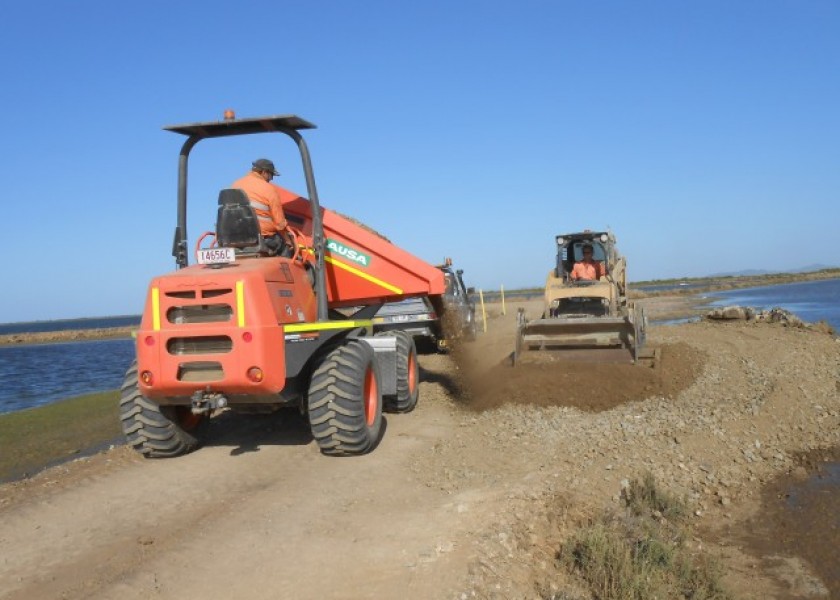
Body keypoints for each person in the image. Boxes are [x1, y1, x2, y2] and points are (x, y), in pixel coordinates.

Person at [231, 158, 292, 254]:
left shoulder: (235, 185)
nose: (271, 179)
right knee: (287, 249)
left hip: (234, 238)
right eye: (271, 175)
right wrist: (288, 240)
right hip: (262, 238)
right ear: (264, 172)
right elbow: (280, 223)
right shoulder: (268, 189)